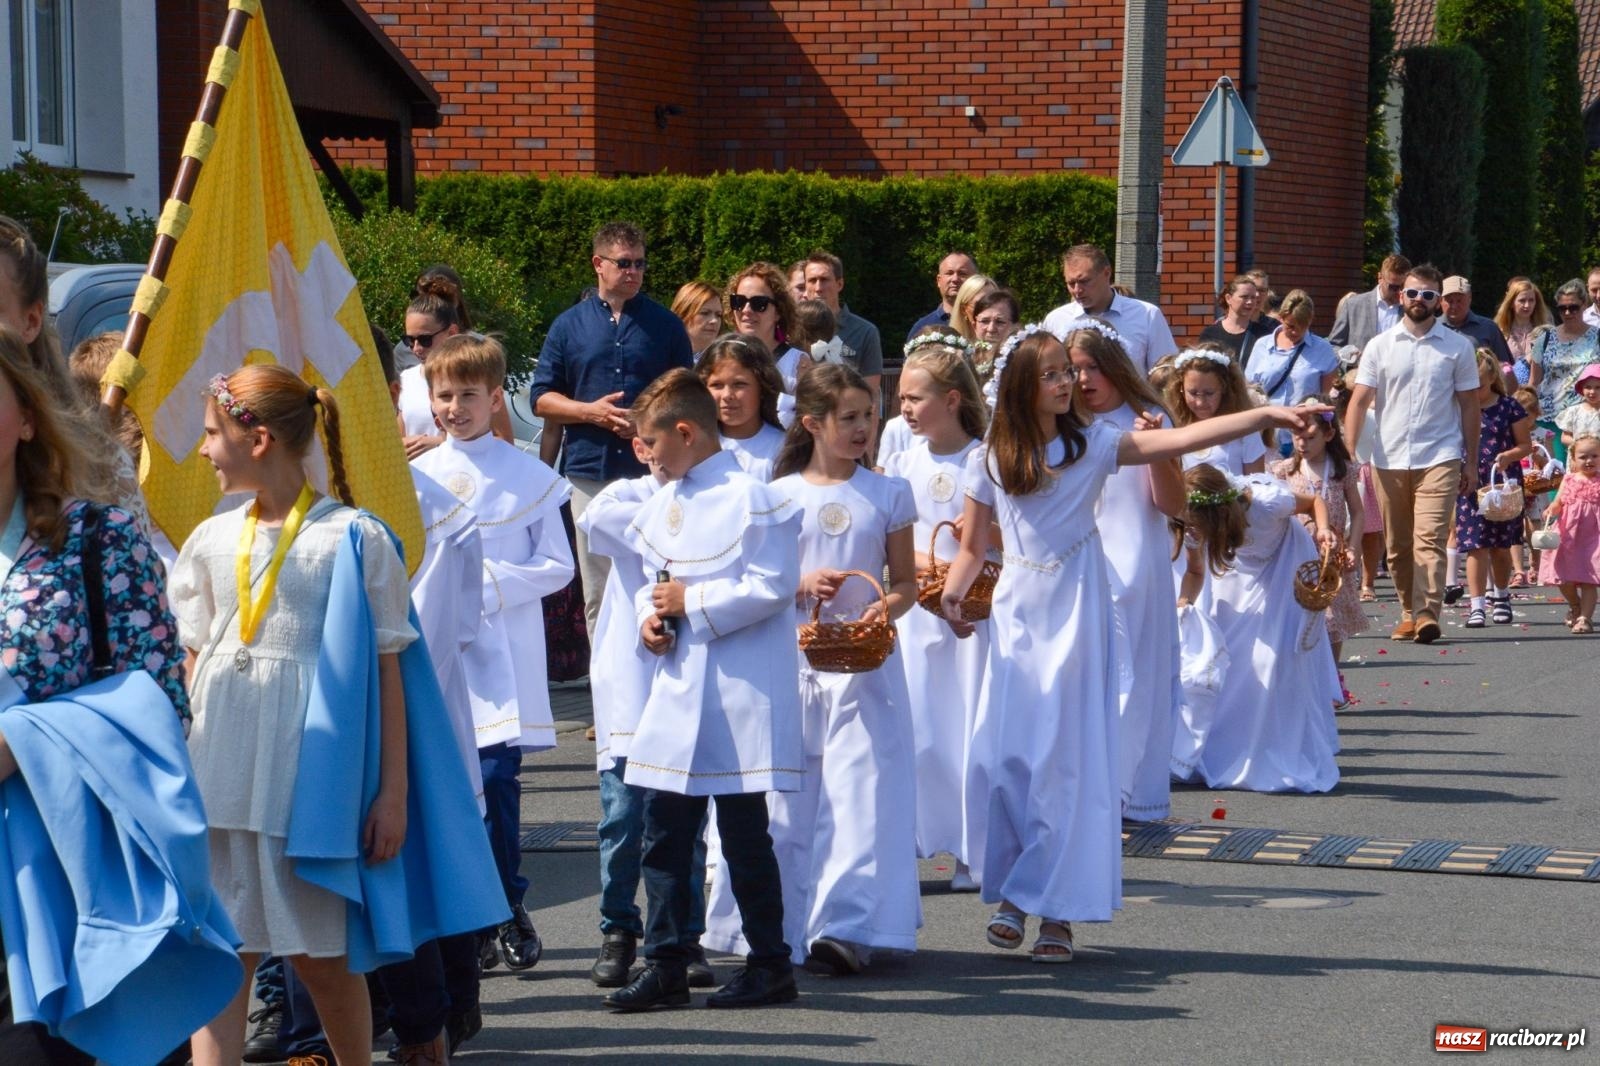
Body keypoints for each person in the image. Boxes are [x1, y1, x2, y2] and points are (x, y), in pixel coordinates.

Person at [937, 326, 1323, 963]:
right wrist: (954, 593)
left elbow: (1183, 440)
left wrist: (1264, 414)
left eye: (1067, 371)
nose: (1067, 382)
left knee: (1067, 765)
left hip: (1078, 613)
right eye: (1052, 373)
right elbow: (974, 547)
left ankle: (1054, 913)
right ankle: (1014, 888)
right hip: (1017, 617)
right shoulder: (990, 459)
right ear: (1021, 387)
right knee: (1005, 763)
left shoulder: (1094, 445)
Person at [175, 364, 504, 1066]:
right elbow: (194, 663)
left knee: (321, 961)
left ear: (258, 439)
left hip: (304, 783)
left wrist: (392, 795)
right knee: (220, 959)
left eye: (211, 433)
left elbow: (389, 677)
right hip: (219, 773)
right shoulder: (209, 539)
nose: (202, 450)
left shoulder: (354, 538)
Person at [0, 326, 235, 1066]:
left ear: (28, 418)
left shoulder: (97, 539)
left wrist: (24, 743)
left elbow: (162, 703)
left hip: (69, 875)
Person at [706, 363, 922, 977]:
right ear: (812, 423)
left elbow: (905, 584)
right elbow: (754, 581)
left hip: (864, 666)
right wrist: (801, 584)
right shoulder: (777, 496)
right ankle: (774, 925)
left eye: (868, 415)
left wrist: (882, 609)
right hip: (793, 662)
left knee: (860, 793)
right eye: (848, 417)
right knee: (785, 801)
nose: (862, 428)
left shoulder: (889, 493)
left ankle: (847, 926)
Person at [602, 369, 803, 1012]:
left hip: (738, 693)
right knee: (664, 831)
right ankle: (666, 961)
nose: (649, 455)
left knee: (744, 836)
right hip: (677, 689)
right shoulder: (665, 501)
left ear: (686, 433)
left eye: (654, 443)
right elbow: (651, 579)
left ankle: (770, 963)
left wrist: (693, 602)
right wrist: (650, 619)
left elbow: (772, 586)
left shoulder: (754, 497)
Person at [413, 335, 575, 974]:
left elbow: (557, 565)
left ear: (494, 399)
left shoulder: (527, 476)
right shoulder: (418, 475)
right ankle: (467, 917)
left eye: (468, 395)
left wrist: (486, 586)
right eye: (443, 396)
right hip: (440, 650)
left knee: (498, 780)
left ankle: (508, 902)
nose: (455, 408)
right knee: (450, 785)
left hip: (502, 647)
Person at [576, 436, 715, 992]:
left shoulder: (714, 499)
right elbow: (597, 524)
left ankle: (686, 934)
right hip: (629, 680)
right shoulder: (622, 496)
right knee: (623, 817)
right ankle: (618, 928)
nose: (665, 455)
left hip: (686, 670)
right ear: (639, 447)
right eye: (654, 443)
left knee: (684, 821)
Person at [531, 221, 694, 639]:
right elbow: (542, 399)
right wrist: (590, 413)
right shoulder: (568, 326)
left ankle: (660, 659)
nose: (633, 272)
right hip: (589, 473)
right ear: (598, 264)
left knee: (659, 579)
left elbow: (687, 395)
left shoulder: (666, 325)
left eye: (640, 263)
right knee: (598, 591)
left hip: (655, 474)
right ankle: (605, 676)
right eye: (624, 263)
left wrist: (646, 420)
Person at [881, 342, 990, 890]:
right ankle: (910, 841)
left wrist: (956, 569)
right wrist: (925, 567)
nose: (905, 408)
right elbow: (892, 540)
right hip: (918, 613)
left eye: (915, 398)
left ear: (951, 400)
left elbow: (994, 538)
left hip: (970, 612)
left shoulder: (983, 459)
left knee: (966, 726)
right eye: (901, 398)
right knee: (919, 728)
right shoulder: (903, 463)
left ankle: (974, 850)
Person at [1067, 320, 1185, 823]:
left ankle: (1127, 790)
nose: (1083, 379)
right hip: (1080, 561)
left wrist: (1155, 449)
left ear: (1115, 367)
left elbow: (1173, 504)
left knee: (1136, 679)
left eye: (1093, 367)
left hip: (1137, 562)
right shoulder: (1065, 423)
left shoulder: (1149, 416)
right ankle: (1090, 789)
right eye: (1073, 370)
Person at [1175, 464, 1343, 792]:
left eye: (1198, 525)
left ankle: (1277, 745)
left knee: (1274, 659)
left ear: (1218, 516)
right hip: (1235, 574)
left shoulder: (1268, 502)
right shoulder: (1194, 523)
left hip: (1284, 565)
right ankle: (1227, 748)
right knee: (1228, 658)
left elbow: (1313, 502)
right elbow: (1195, 571)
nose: (1193, 530)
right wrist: (1183, 602)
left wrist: (1323, 530)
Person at [1344, 264, 1481, 645]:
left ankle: (1426, 614)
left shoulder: (1458, 347)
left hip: (1440, 455)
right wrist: (1350, 454)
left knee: (1430, 538)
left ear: (1438, 301)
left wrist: (1471, 461)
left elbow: (1470, 406)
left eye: (1428, 294)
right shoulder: (1380, 345)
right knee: (1398, 546)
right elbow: (1359, 402)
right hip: (1388, 457)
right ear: (1400, 296)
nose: (1420, 299)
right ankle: (1408, 610)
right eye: (1413, 293)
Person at [1272, 399, 1368, 665]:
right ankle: (1305, 673)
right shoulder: (1286, 470)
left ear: (1328, 434)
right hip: (1297, 553)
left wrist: (1353, 546)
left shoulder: (1341, 470)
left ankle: (1333, 675)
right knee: (1301, 614)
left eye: (1310, 437)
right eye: (1297, 437)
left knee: (1332, 618)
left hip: (1331, 556)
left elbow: (1358, 512)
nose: (1302, 443)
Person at [1450, 349, 1532, 629]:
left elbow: (1526, 445)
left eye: (1481, 385)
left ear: (1492, 379)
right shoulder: (1457, 407)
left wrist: (1509, 455)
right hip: (1469, 481)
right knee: (1475, 545)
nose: (1475, 391)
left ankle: (1501, 595)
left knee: (1500, 545)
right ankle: (1477, 605)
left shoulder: (1509, 407)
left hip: (1502, 482)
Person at [1041, 244, 1177, 373]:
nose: (1077, 290)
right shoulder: (1056, 321)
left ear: (1107, 273)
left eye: (1084, 281)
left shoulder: (1146, 315)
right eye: (1071, 283)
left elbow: (1166, 375)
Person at [1245, 289, 1339, 455]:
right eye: (1291, 326)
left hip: (1303, 437)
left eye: (1303, 327)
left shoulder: (1322, 349)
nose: (1296, 332)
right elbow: (1249, 390)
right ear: (1281, 318)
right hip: (1266, 435)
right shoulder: (1262, 345)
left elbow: (1327, 401)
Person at [697, 334, 787, 482]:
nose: (727, 395)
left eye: (739, 384)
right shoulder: (695, 446)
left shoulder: (782, 449)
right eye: (717, 385)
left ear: (762, 387)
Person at [1529, 278, 1600, 464]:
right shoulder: (1544, 340)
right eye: (1562, 308)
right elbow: (1533, 382)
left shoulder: (1597, 337)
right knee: (1552, 475)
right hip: (1548, 419)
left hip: (1586, 420)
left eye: (1573, 307)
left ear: (1584, 305)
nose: (1567, 313)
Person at [1165, 347, 1267, 476]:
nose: (1200, 402)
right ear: (1181, 389)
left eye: (1209, 393)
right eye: (1193, 393)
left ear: (1224, 388)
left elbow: (1257, 483)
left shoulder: (1245, 431)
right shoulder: (1172, 427)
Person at [801, 251, 884, 404]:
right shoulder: (794, 330)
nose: (818, 288)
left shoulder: (865, 332)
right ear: (805, 285)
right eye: (812, 280)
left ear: (839, 284)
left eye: (824, 280)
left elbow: (870, 395)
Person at [1543, 432, 1600, 632]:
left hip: (1594, 536)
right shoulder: (1569, 479)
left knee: (1589, 578)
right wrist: (1552, 508)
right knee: (1563, 575)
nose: (1589, 460)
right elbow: (1558, 502)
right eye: (1583, 457)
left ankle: (1585, 618)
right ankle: (1575, 604)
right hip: (1569, 534)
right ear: (1573, 460)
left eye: (1594, 456)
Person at [727, 262, 803, 392]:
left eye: (758, 303)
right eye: (739, 301)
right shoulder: (721, 357)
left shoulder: (796, 364)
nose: (746, 310)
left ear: (778, 312)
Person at [1329, 252, 1410, 351]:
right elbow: (1333, 346)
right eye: (1393, 287)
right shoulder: (1353, 305)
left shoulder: (1411, 310)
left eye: (1402, 286)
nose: (1399, 291)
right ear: (1380, 278)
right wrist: (1349, 357)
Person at [1198, 275, 1274, 367]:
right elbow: (1202, 367)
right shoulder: (1210, 333)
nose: (1250, 302)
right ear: (1228, 298)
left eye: (1253, 297)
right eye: (1244, 297)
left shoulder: (1264, 334)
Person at [1440, 276, 1513, 366]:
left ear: (1469, 298)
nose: (1454, 306)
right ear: (1440, 301)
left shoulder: (1489, 328)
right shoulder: (1432, 328)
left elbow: (1505, 366)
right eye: (1450, 301)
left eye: (1459, 301)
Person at [1493, 276, 1553, 384]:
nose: (1527, 305)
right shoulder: (1499, 330)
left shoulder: (1544, 331)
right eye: (1522, 300)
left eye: (1531, 300)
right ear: (1511, 303)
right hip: (1508, 387)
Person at [906, 251, 979, 339]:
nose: (955, 279)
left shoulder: (986, 324)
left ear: (975, 280)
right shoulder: (922, 327)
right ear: (939, 281)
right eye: (949, 273)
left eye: (962, 273)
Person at [969, 287, 1020, 385]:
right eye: (984, 321)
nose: (991, 329)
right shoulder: (965, 361)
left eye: (1000, 322)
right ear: (974, 325)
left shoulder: (1022, 361)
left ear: (1015, 326)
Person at [672, 281, 725, 357]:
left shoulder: (726, 359)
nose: (714, 320)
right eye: (705, 313)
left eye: (718, 315)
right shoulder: (661, 356)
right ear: (683, 314)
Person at [1555, 363, 1600, 449]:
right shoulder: (1574, 411)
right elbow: (1564, 437)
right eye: (1588, 387)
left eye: (1598, 387)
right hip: (1579, 454)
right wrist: (1580, 444)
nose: (1592, 391)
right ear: (1582, 388)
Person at [949, 274, 998, 344]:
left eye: (994, 303)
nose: (989, 310)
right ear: (963, 310)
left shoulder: (1009, 345)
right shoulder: (951, 346)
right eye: (980, 304)